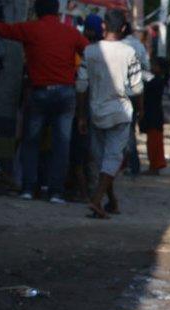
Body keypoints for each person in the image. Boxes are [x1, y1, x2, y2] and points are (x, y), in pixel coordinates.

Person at [0, 0, 88, 203]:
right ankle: (56, 192)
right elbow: (89, 53)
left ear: (36, 11)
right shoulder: (70, 32)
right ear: (57, 11)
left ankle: (28, 188)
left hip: (39, 93)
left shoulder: (30, 29)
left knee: (31, 141)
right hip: (66, 94)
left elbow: (3, 30)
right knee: (61, 144)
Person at [76, 9, 143, 219]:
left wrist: (81, 116)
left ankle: (110, 201)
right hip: (121, 113)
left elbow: (81, 86)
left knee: (102, 160)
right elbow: (137, 89)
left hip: (96, 112)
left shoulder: (90, 51)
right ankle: (97, 201)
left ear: (104, 26)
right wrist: (140, 111)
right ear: (123, 28)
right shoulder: (129, 52)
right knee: (112, 160)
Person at [65, 13, 104, 203]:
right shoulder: (104, 52)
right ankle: (92, 191)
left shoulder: (85, 52)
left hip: (85, 110)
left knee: (80, 153)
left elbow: (81, 85)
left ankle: (83, 193)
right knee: (94, 154)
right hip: (100, 110)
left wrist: (80, 115)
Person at [122, 21, 149, 176]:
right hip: (133, 93)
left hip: (113, 94)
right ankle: (133, 165)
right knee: (129, 130)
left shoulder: (112, 45)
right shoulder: (138, 46)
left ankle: (123, 166)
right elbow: (146, 69)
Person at [141, 57, 168, 175]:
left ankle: (154, 166)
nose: (152, 67)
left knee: (153, 142)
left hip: (152, 114)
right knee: (154, 141)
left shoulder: (154, 81)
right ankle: (155, 165)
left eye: (154, 65)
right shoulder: (159, 80)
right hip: (156, 114)